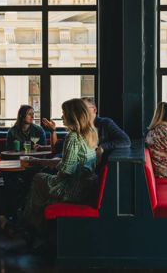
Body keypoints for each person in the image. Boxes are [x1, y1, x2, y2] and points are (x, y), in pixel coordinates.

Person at [24, 98, 99, 241]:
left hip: (73, 189)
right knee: (41, 185)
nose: (61, 116)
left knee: (37, 179)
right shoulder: (90, 133)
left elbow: (67, 170)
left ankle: (33, 227)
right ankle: (37, 228)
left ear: (72, 115)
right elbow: (72, 163)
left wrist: (47, 164)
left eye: (64, 113)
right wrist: (44, 162)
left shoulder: (73, 136)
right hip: (87, 186)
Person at [82, 97, 131, 169]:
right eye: (79, 110)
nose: (81, 112)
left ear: (94, 110)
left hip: (97, 169)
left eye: (84, 109)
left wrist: (102, 147)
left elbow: (126, 141)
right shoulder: (80, 127)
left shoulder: (105, 123)